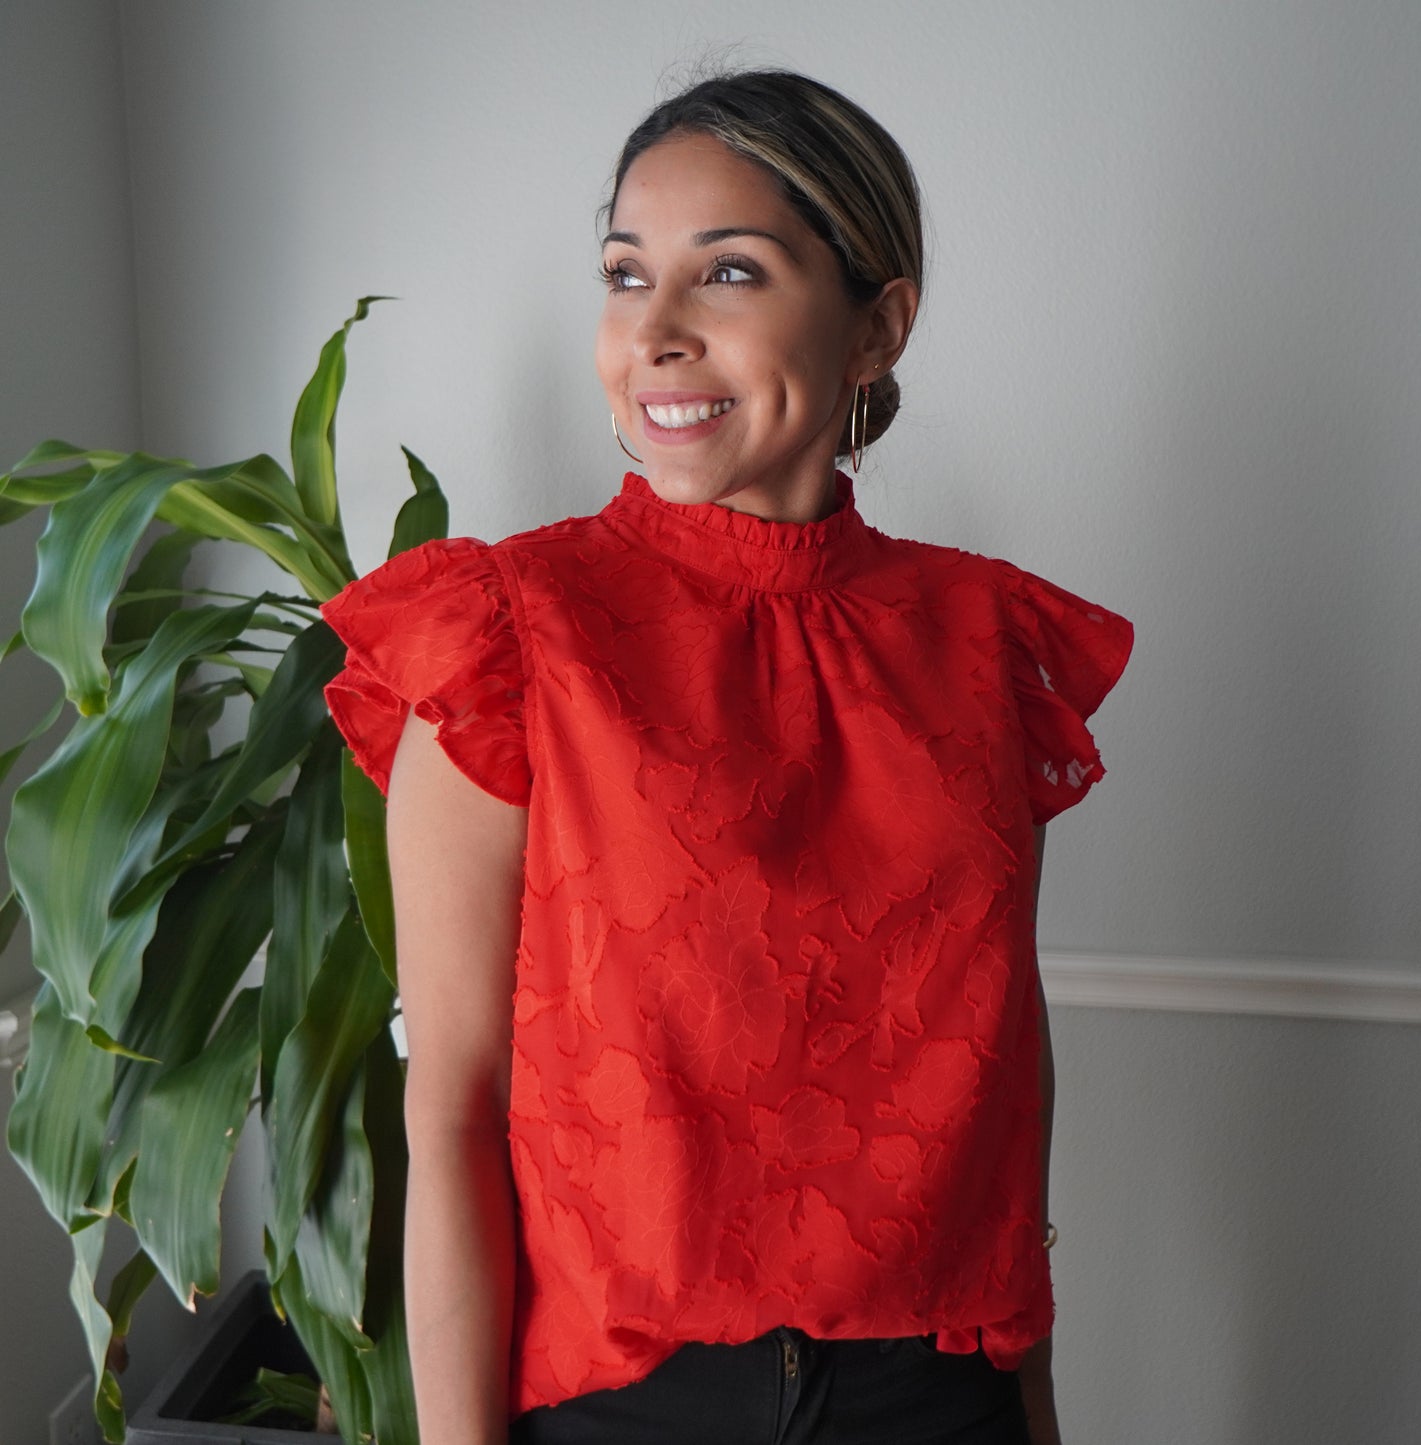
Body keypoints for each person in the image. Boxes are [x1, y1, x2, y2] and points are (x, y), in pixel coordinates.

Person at [321, 69, 1132, 1445]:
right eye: (626, 275)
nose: (656, 332)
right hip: (620, 1405)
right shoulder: (506, 635)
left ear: (878, 325)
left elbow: (1002, 1054)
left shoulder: (986, 645)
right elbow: (453, 1104)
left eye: (730, 273)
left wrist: (1029, 1389)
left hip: (936, 1396)